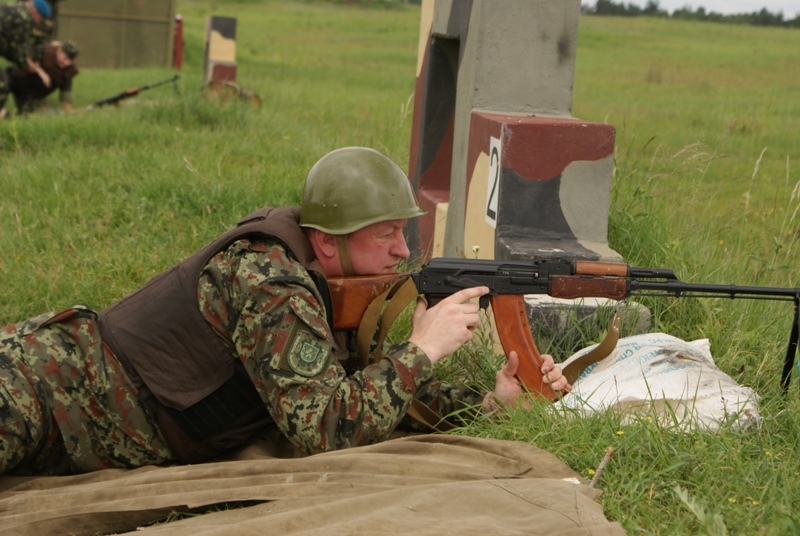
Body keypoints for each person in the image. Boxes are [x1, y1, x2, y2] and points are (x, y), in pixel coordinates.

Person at [0, 147, 570, 476]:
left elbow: (354, 393)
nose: (402, 250)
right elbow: (326, 427)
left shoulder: (328, 283)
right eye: (387, 234)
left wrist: (490, 403)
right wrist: (420, 349)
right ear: (327, 242)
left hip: (88, 429)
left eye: (404, 231)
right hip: (48, 387)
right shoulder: (270, 283)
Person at [0, 0, 52, 118]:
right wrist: (28, 66)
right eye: (40, 18)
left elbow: (6, 45)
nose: (38, 22)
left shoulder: (11, 8)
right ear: (35, 12)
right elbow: (17, 49)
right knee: (2, 82)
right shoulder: (25, 18)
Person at [7, 39, 79, 114]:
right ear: (58, 51)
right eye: (65, 58)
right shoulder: (44, 51)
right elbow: (24, 58)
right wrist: (39, 71)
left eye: (70, 61)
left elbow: (66, 91)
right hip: (14, 78)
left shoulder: (68, 70)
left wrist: (67, 112)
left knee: (25, 115)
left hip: (28, 93)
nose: (66, 62)